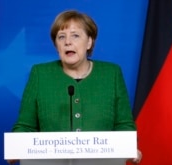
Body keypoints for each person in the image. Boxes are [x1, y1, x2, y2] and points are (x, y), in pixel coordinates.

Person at [7, 10, 142, 164]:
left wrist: (128, 147)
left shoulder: (111, 74)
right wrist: (16, 147)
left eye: (75, 35)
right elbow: (25, 125)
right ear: (56, 45)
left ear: (89, 42)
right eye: (61, 37)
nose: (68, 42)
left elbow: (123, 124)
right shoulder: (40, 74)